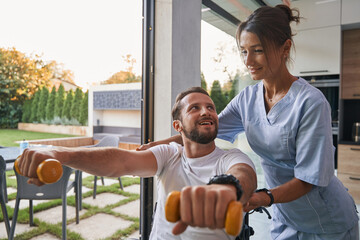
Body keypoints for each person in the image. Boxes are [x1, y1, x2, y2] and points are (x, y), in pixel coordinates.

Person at [138, 5, 359, 240]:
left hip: (326, 219)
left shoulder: (310, 103)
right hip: (284, 215)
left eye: (258, 50)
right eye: (244, 51)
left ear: (285, 48)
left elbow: (309, 179)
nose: (248, 61)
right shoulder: (247, 98)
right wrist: (158, 145)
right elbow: (207, 128)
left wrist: (261, 197)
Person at [18, 87, 257, 240]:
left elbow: (243, 175)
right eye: (195, 108)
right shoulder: (170, 153)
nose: (206, 111)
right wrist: (57, 153)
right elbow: (120, 161)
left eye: (211, 108)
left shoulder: (231, 157)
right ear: (178, 126)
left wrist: (228, 189)